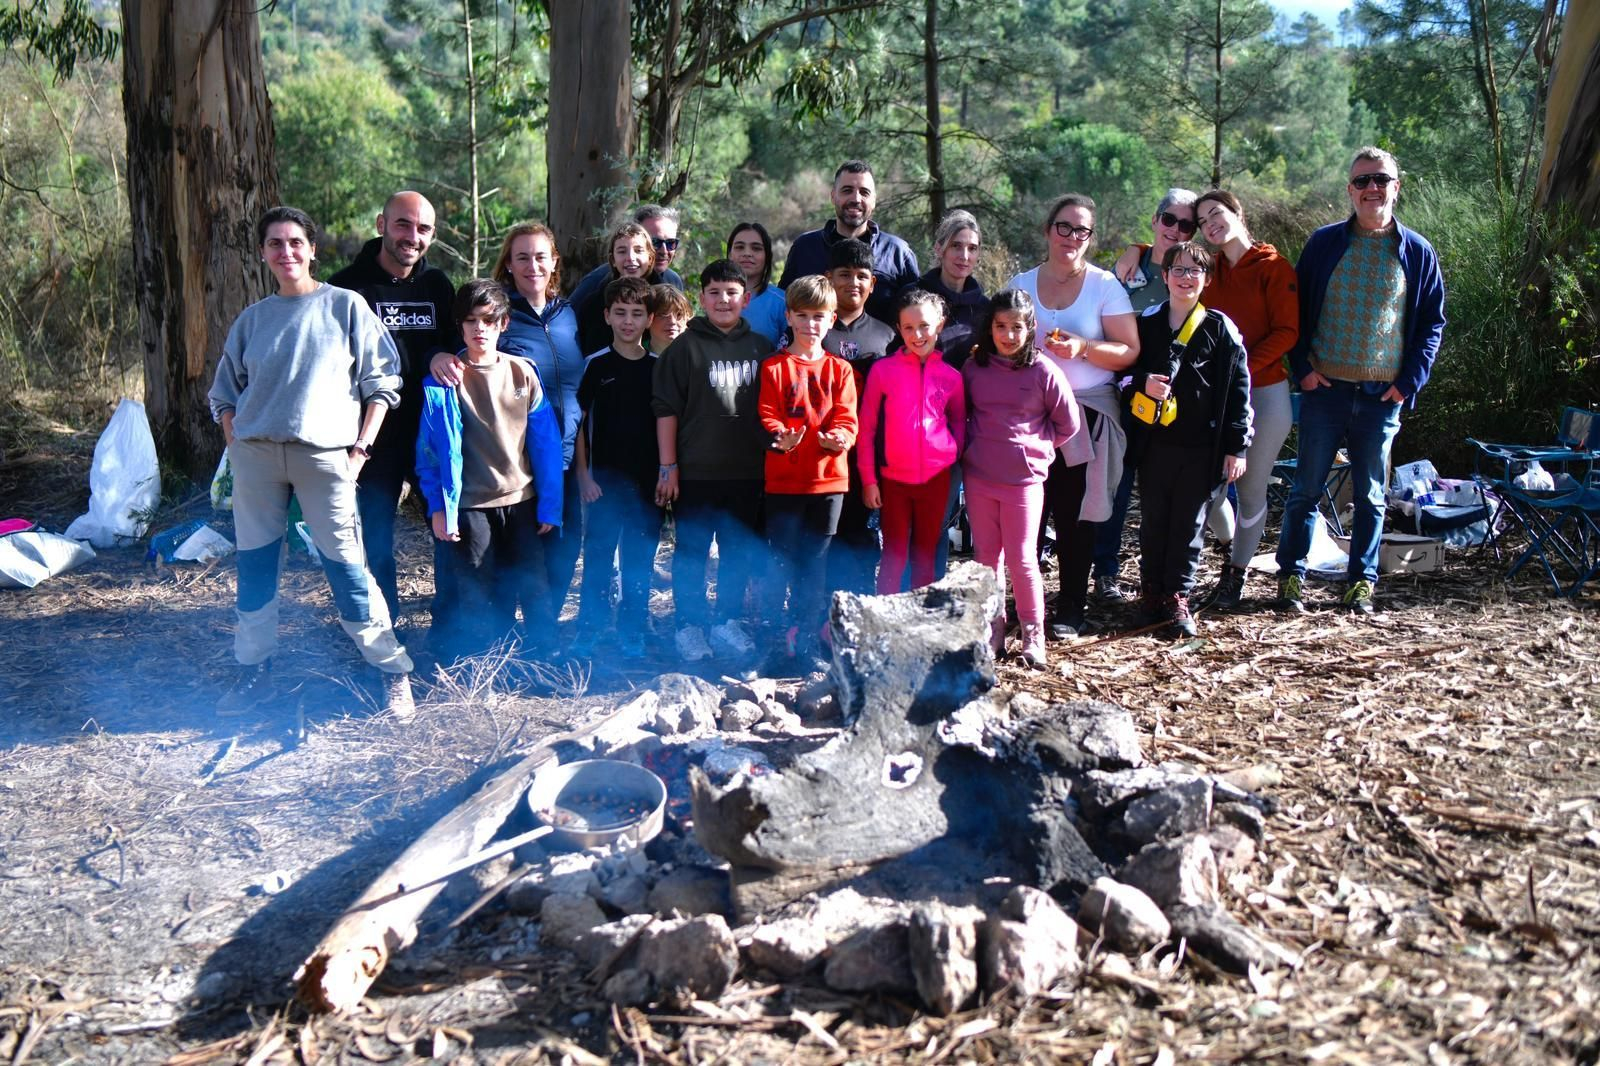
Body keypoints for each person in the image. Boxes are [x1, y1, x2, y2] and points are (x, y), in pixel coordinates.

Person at [208, 206, 414, 717]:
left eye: (295, 242)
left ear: (312, 249)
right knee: (255, 569)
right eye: (275, 243)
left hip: (325, 459)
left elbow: (383, 385)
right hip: (257, 461)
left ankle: (392, 671)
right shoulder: (252, 319)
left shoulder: (345, 307)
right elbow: (223, 394)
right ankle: (253, 672)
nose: (286, 252)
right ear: (263, 253)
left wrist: (360, 450)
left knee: (348, 569)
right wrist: (237, 445)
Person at [1276, 147, 1446, 614]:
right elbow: (1294, 310)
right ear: (1350, 191)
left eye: (1381, 179)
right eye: (1363, 181)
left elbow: (1432, 324)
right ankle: (1290, 578)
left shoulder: (1417, 251)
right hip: (1325, 390)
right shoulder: (1324, 243)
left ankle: (1361, 584)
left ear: (1397, 187)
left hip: (1381, 397)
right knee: (1306, 491)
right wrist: (1302, 369)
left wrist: (1408, 382)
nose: (1372, 188)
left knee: (1371, 497)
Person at [431, 222, 586, 629]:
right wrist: (438, 356)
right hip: (489, 479)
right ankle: (478, 645)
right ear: (509, 264)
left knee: (552, 562)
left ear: (554, 262)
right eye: (522, 257)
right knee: (484, 572)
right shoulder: (497, 311)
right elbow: (459, 351)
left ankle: (540, 643)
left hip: (555, 462)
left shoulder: (567, 313)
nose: (533, 265)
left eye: (540, 256)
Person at [1006, 194, 1138, 639]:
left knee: (1074, 513)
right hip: (1028, 414)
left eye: (1082, 230)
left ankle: (1071, 608)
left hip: (1085, 414)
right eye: (1064, 227)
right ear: (1048, 230)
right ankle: (1027, 604)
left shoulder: (1104, 286)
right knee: (1028, 511)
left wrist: (1083, 348)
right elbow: (1003, 338)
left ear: (1090, 238)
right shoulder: (1021, 284)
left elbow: (1129, 350)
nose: (1072, 237)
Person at [416, 280, 564, 660]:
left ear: (503, 323)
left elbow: (546, 444)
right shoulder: (442, 382)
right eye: (470, 320)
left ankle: (547, 658)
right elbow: (429, 455)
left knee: (533, 584)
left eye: (488, 319)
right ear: (460, 326)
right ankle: (484, 664)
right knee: (476, 589)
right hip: (470, 505)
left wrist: (550, 505)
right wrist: (438, 507)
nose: (479, 328)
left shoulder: (522, 373)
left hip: (522, 500)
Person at [328, 190, 458, 621]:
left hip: (431, 433)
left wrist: (440, 353)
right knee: (374, 537)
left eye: (423, 229)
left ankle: (450, 624)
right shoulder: (347, 287)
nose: (412, 236)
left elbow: (457, 344)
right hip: (371, 436)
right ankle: (383, 626)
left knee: (449, 528)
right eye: (403, 224)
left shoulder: (438, 286)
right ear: (381, 224)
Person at [1125, 243, 1252, 637]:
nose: (1185, 278)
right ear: (1164, 276)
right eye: (1177, 270)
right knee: (1154, 522)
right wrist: (1142, 383)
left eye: (1194, 271)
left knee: (1189, 525)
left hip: (1202, 449)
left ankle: (1177, 597)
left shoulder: (1220, 328)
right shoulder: (1145, 323)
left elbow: (1239, 392)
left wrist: (1236, 447)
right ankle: (1151, 595)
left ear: (1207, 279)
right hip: (1154, 446)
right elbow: (1121, 375)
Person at [653, 259, 775, 664]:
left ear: (747, 298)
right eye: (715, 292)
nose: (724, 300)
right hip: (696, 472)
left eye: (732, 292)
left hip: (747, 472)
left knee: (737, 553)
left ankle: (726, 622)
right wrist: (668, 467)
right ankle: (688, 627)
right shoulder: (684, 348)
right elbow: (666, 410)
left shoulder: (761, 348)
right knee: (692, 552)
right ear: (701, 298)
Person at [961, 289, 1080, 668]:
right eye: (1001, 326)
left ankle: (1033, 634)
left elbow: (1069, 424)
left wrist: (1035, 451)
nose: (1008, 335)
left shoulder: (1044, 371)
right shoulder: (974, 368)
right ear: (990, 328)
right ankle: (993, 630)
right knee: (986, 559)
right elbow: (962, 414)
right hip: (980, 478)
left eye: (1016, 327)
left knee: (1022, 559)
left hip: (1023, 483)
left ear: (1030, 328)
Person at [1192, 189, 1299, 609]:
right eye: (1202, 221)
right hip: (1217, 396)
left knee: (1251, 489)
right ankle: (1227, 549)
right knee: (1208, 487)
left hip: (1266, 393)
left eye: (1216, 213)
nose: (1210, 224)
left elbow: (1287, 332)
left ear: (1237, 212)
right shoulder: (1209, 270)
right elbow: (1168, 261)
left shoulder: (1273, 267)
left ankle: (1235, 575)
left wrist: (1242, 370)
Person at [1094, 189, 1199, 600]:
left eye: (1186, 224)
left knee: (1166, 494)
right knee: (1116, 487)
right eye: (1169, 219)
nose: (1176, 229)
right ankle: (1105, 572)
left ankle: (1163, 583)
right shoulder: (1125, 272)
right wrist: (1134, 251)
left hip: (1175, 404)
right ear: (1155, 221)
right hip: (1124, 394)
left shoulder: (1194, 271)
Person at [757, 275, 858, 669]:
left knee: (814, 566)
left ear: (831, 319)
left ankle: (806, 644)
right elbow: (767, 412)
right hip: (783, 482)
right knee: (779, 563)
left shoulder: (841, 370)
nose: (810, 324)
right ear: (788, 317)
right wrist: (779, 436)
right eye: (802, 315)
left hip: (828, 482)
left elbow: (847, 417)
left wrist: (840, 438)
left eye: (818, 316)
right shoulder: (773, 367)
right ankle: (772, 641)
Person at [573, 277, 663, 656]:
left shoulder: (659, 368)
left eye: (637, 313)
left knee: (639, 563)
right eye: (621, 313)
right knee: (597, 558)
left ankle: (633, 630)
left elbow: (667, 425)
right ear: (607, 316)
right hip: (603, 486)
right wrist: (583, 475)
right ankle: (589, 629)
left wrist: (666, 473)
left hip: (647, 485)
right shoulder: (595, 365)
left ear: (649, 319)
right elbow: (578, 425)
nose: (628, 321)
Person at [858, 288, 965, 593]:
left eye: (924, 326)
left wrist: (953, 449)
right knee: (894, 555)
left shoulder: (951, 376)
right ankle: (885, 614)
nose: (917, 335)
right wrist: (869, 481)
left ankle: (921, 615)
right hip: (894, 481)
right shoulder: (883, 370)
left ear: (940, 324)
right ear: (898, 329)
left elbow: (959, 419)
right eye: (908, 327)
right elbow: (866, 429)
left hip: (937, 479)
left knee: (925, 554)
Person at [820, 238, 899, 597]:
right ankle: (821, 610)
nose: (853, 282)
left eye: (861, 276)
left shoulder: (888, 336)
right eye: (844, 274)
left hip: (870, 457)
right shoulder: (814, 329)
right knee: (825, 535)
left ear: (873, 283)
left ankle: (862, 602)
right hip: (823, 457)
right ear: (828, 278)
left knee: (863, 534)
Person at [778, 161, 919, 326]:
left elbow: (917, 312)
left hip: (883, 343)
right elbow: (783, 305)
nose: (856, 198)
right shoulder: (805, 248)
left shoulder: (897, 253)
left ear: (874, 200)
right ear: (833, 196)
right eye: (847, 190)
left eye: (864, 192)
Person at [900, 209, 989, 364]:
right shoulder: (910, 297)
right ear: (939, 249)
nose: (964, 256)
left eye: (972, 248)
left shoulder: (985, 307)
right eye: (956, 246)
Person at [567, 205, 686, 309]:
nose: (664, 250)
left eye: (671, 243)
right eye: (655, 242)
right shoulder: (597, 282)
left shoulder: (673, 281)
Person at [728, 221, 788, 344]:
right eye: (740, 247)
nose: (747, 253)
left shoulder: (782, 303)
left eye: (756, 248)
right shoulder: (714, 298)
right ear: (729, 254)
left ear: (767, 256)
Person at [645, 284, 693, 353]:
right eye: (663, 314)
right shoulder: (633, 354)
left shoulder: (699, 355)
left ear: (688, 318)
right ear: (648, 318)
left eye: (679, 314)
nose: (672, 321)